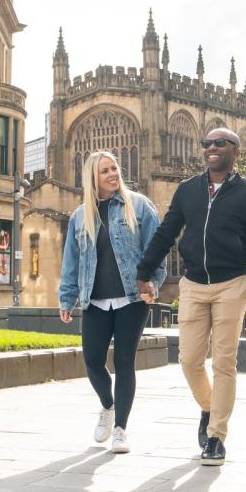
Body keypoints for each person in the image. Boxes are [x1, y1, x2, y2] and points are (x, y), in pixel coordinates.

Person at [137, 127, 246, 466]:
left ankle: (216, 436)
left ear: (235, 151)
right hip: (193, 284)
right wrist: (144, 272)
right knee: (189, 360)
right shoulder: (187, 190)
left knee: (224, 362)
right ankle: (210, 408)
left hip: (232, 284)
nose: (211, 148)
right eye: (206, 143)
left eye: (219, 143)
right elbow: (167, 233)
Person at [59, 150, 164, 455]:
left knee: (124, 362)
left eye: (114, 168)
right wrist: (67, 298)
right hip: (95, 299)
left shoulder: (140, 206)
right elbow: (71, 260)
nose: (112, 175)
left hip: (132, 299)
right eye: (105, 171)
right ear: (93, 177)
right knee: (92, 360)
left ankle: (120, 429)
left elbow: (155, 250)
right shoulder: (80, 216)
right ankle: (108, 405)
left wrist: (152, 284)